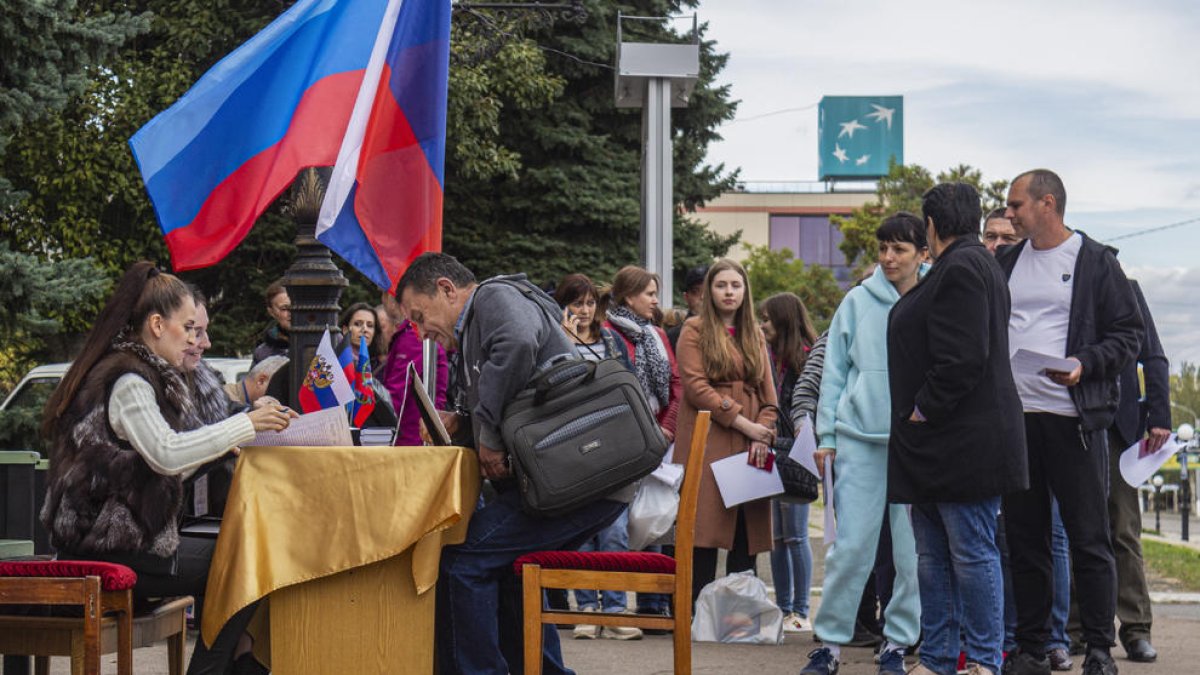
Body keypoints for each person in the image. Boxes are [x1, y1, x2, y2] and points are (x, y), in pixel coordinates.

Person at [39, 262, 294, 675]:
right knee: (249, 558)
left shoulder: (140, 373)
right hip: (109, 545)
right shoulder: (129, 381)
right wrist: (245, 423)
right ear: (157, 325)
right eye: (190, 327)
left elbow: (163, 462)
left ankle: (236, 659)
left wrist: (227, 441)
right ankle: (227, 664)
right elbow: (166, 454)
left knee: (241, 555)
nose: (197, 339)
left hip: (120, 541)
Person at [396, 252, 628, 675]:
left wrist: (483, 431)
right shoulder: (473, 328)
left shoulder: (492, 296)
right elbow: (515, 395)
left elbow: (519, 344)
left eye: (419, 315)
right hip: (570, 478)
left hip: (577, 478)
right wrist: (463, 422)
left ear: (447, 289)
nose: (420, 331)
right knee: (502, 567)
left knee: (463, 566)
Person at [996, 169, 1142, 675]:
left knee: (1088, 538)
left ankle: (1100, 649)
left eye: (1016, 205)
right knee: (1025, 539)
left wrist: (1085, 364)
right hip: (1018, 422)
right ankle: (1031, 648)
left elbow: (1128, 336)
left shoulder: (1096, 261)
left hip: (1074, 422)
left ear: (1047, 203)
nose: (1009, 214)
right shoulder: (1008, 261)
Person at [886, 183, 1029, 675]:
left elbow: (962, 360)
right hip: (938, 447)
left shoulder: (964, 267)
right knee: (935, 557)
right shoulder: (966, 264)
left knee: (970, 553)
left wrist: (921, 410)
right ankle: (939, 657)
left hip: (959, 442)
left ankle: (984, 661)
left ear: (931, 225)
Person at [800, 213, 927, 675]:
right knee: (851, 548)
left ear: (923, 253)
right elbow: (833, 373)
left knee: (912, 555)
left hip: (915, 445)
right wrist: (827, 436)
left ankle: (896, 643)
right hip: (859, 440)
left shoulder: (936, 297)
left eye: (900, 249)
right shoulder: (855, 301)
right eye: (884, 248)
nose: (889, 258)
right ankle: (830, 645)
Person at [672, 258, 777, 600]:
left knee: (748, 530)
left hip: (752, 443)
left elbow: (769, 397)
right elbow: (696, 387)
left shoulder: (755, 334)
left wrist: (763, 431)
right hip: (709, 437)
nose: (729, 292)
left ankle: (740, 614)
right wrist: (744, 423)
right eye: (721, 285)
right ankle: (693, 612)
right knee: (704, 529)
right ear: (709, 292)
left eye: (735, 285)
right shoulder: (695, 329)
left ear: (745, 291)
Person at [550, 273, 642, 639]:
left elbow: (629, 383)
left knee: (615, 530)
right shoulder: (556, 341)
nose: (584, 310)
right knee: (583, 531)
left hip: (612, 441)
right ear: (563, 306)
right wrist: (566, 341)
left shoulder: (612, 341)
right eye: (576, 303)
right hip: (575, 443)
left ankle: (616, 610)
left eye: (589, 303)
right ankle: (587, 606)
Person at [602, 266, 680, 622]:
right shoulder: (604, 332)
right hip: (618, 442)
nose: (654, 301)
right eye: (649, 293)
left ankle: (652, 605)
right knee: (616, 523)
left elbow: (675, 387)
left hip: (657, 441)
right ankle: (615, 607)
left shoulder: (658, 336)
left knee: (656, 518)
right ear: (629, 296)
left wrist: (665, 431)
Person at [759, 292, 817, 634]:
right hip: (772, 450)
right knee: (777, 536)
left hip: (798, 452)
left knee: (796, 534)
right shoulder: (768, 356)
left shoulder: (807, 358)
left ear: (783, 321)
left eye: (767, 318)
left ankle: (801, 609)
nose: (763, 324)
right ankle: (783, 608)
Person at [378, 291, 448, 446]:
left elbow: (396, 396)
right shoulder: (409, 334)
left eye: (383, 294)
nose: (382, 300)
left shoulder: (412, 336)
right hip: (416, 437)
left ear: (390, 297)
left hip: (411, 440)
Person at [338, 302, 397, 429]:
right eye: (357, 324)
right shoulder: (335, 364)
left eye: (370, 325)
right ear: (345, 329)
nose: (364, 329)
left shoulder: (380, 367)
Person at [666, 264, 709, 351]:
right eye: (696, 292)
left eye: (708, 291)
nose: (703, 297)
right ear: (686, 297)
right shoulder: (675, 336)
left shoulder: (730, 330)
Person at [251, 280, 290, 366]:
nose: (292, 313)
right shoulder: (262, 354)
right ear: (271, 312)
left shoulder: (322, 344)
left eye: (296, 306)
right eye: (284, 308)